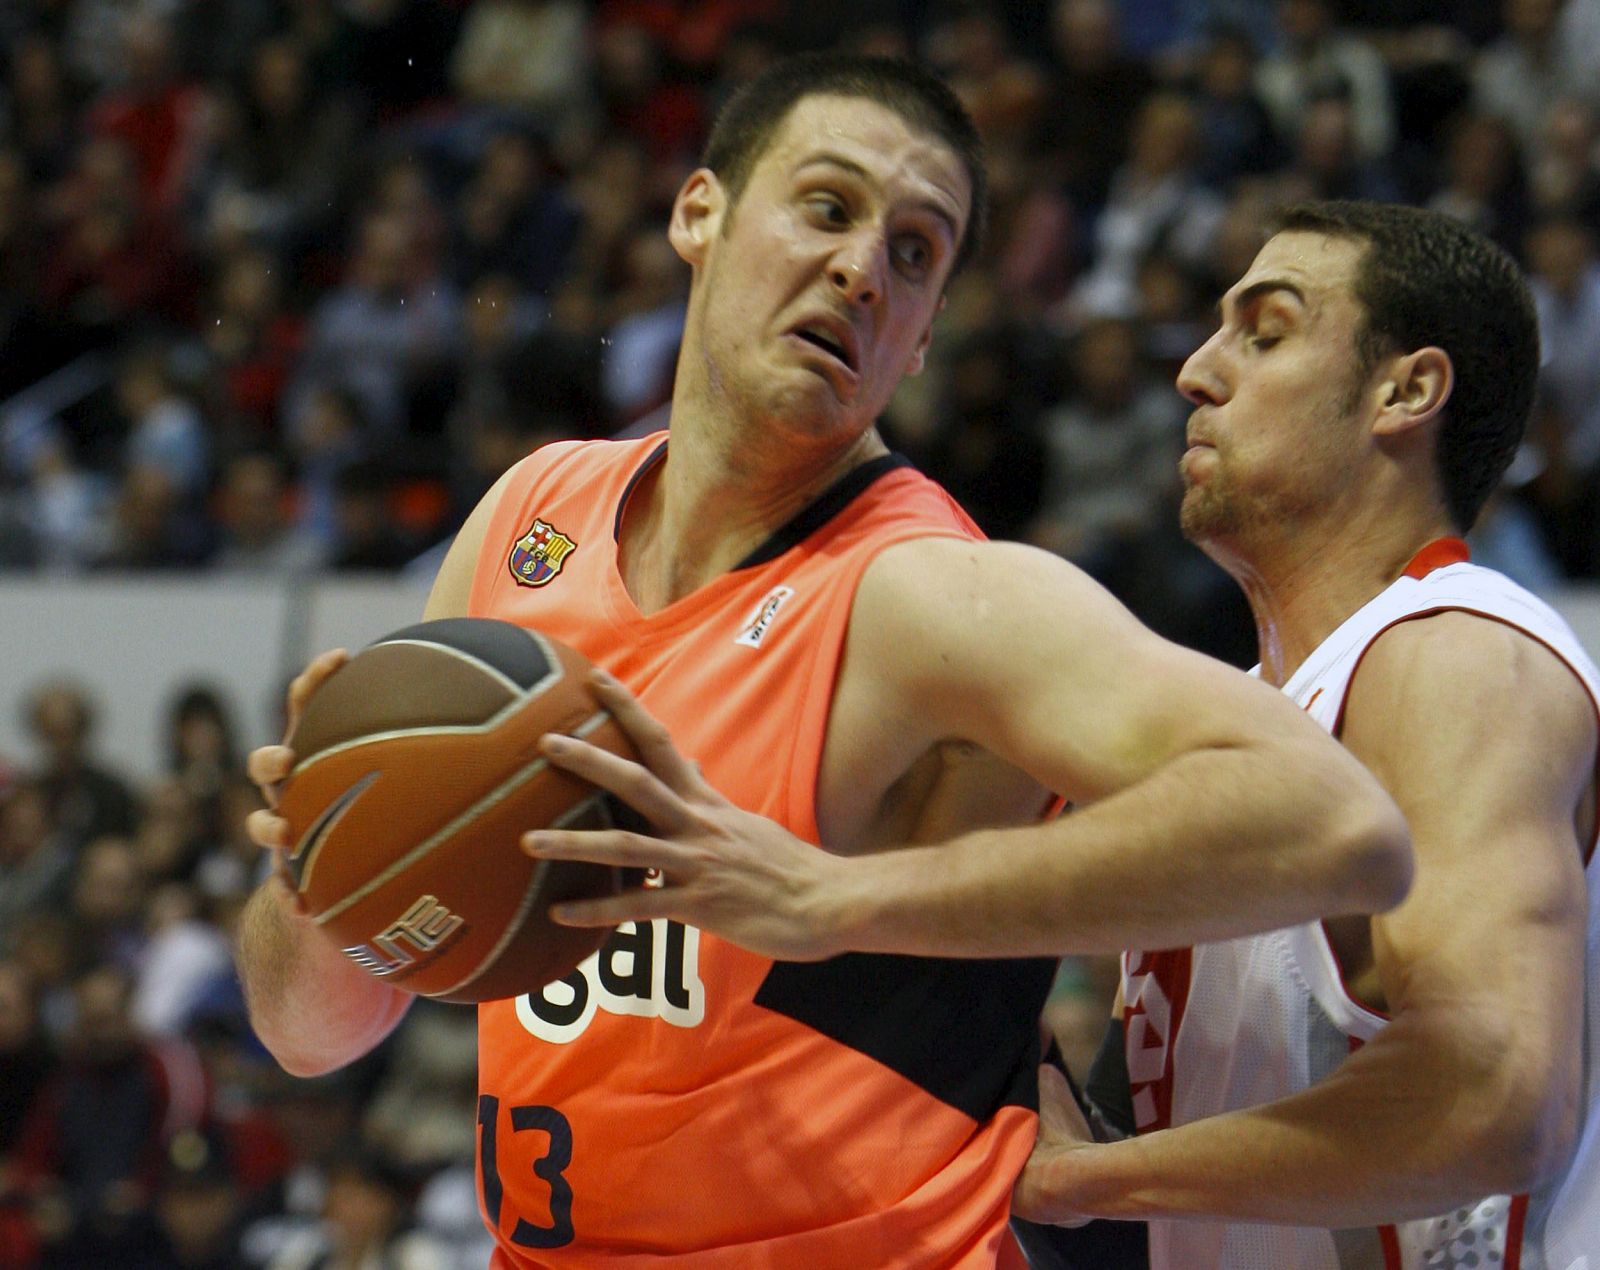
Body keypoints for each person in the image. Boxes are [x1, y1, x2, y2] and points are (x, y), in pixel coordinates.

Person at [236, 57, 1410, 1267]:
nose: (861, 267)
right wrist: (321, 861)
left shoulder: (929, 596)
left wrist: (828, 900)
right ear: (700, 213)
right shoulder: (530, 517)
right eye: (828, 207)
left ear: (919, 339)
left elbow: (1339, 824)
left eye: (914, 252)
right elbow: (306, 1033)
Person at [1010, 202, 1599, 1266]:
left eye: (1264, 331)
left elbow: (1500, 1092)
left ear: (1406, 391)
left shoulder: (1451, 653)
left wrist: (1086, 1177)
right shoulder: (1249, 720)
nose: (1193, 371)